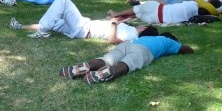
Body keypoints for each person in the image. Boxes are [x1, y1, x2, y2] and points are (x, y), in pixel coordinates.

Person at [60, 33, 194, 84]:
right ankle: (107, 73)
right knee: (129, 62)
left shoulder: (145, 37)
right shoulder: (167, 41)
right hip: (143, 50)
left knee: (108, 58)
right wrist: (188, 49)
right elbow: (185, 49)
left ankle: (84, 66)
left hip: (128, 44)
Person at [9, 0, 142, 42]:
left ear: (144, 29)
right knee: (54, 22)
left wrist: (113, 24)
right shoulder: (129, 27)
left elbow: (112, 40)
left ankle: (44, 31)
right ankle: (20, 26)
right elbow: (130, 16)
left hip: (84, 29)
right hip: (84, 25)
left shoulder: (132, 35)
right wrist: (111, 17)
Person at [107, 0, 221, 25]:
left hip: (157, 10)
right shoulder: (200, 15)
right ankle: (121, 15)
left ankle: (116, 14)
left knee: (141, 8)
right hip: (157, 19)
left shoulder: (194, 3)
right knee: (139, 11)